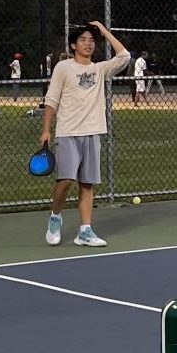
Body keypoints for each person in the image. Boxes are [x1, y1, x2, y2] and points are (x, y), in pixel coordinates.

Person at [38, 20, 131, 247]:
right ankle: (55, 217)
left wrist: (104, 31)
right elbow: (51, 100)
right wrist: (46, 130)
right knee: (66, 179)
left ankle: (85, 231)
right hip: (68, 132)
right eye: (83, 40)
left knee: (87, 184)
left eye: (91, 40)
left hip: (93, 131)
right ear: (73, 45)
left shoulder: (99, 69)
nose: (88, 44)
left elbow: (124, 56)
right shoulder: (64, 68)